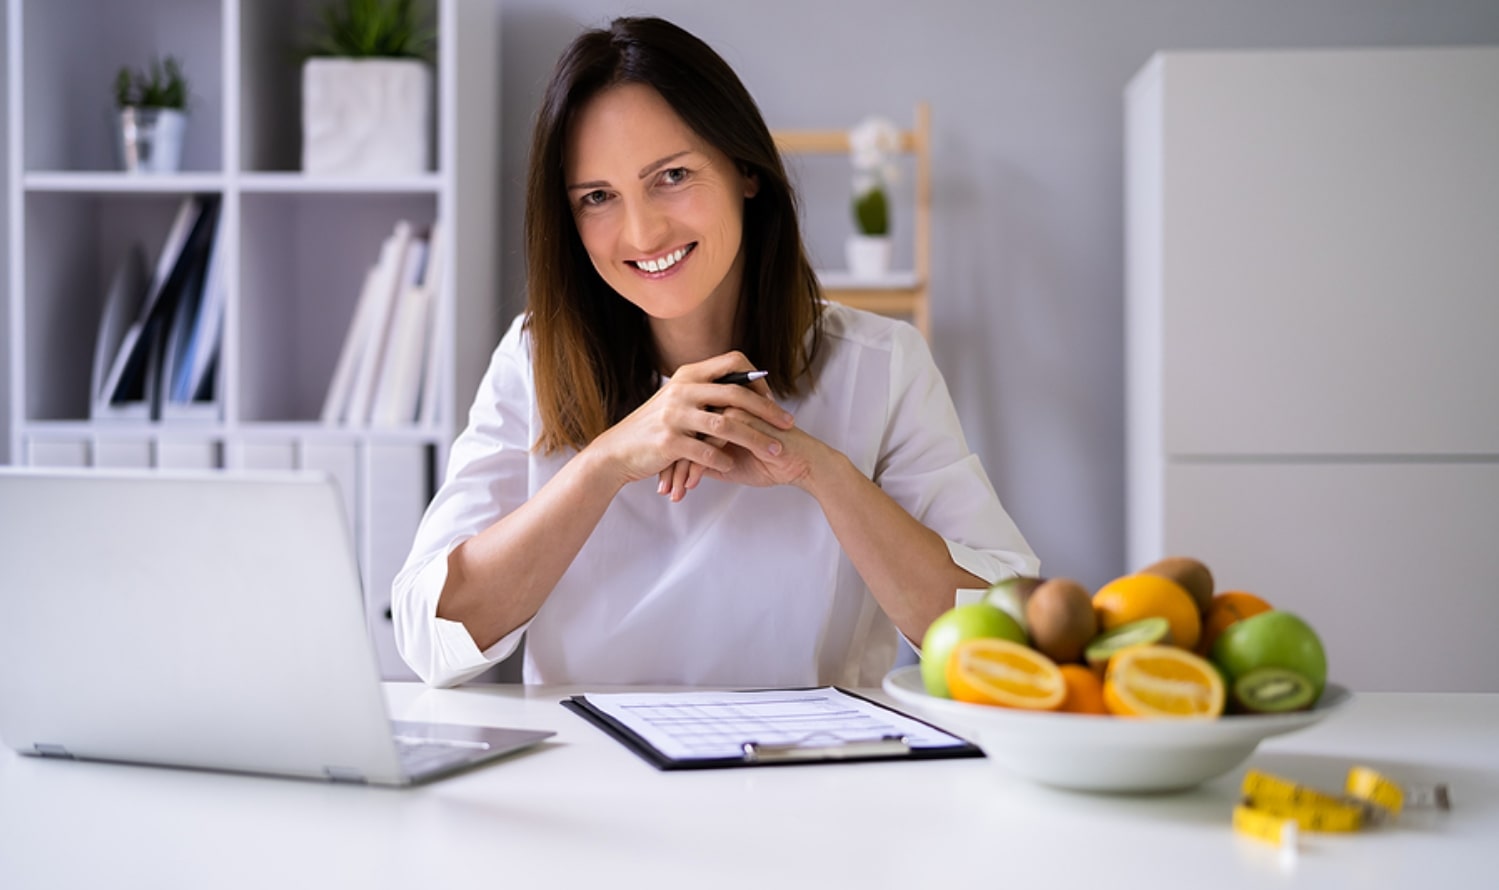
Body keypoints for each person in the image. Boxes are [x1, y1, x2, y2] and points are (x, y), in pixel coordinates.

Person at [392, 15, 1037, 688]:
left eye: (671, 175)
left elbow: (1010, 633)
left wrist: (819, 473)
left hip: (814, 774)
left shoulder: (880, 362)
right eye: (597, 197)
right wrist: (606, 463)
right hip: (590, 776)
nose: (641, 231)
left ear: (745, 171)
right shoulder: (534, 359)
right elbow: (430, 637)